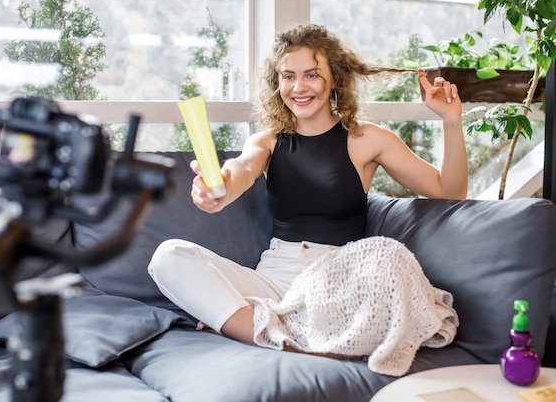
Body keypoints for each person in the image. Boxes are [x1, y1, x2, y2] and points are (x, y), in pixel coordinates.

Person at [148, 24, 467, 376]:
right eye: (288, 76)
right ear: (277, 81)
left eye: (312, 75)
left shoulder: (367, 140)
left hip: (335, 278)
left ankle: (249, 324)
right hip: (274, 279)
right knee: (169, 257)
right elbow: (241, 169)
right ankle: (274, 334)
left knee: (388, 255)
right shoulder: (267, 141)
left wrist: (451, 121)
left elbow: (449, 192)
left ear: (334, 80)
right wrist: (220, 187)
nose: (298, 87)